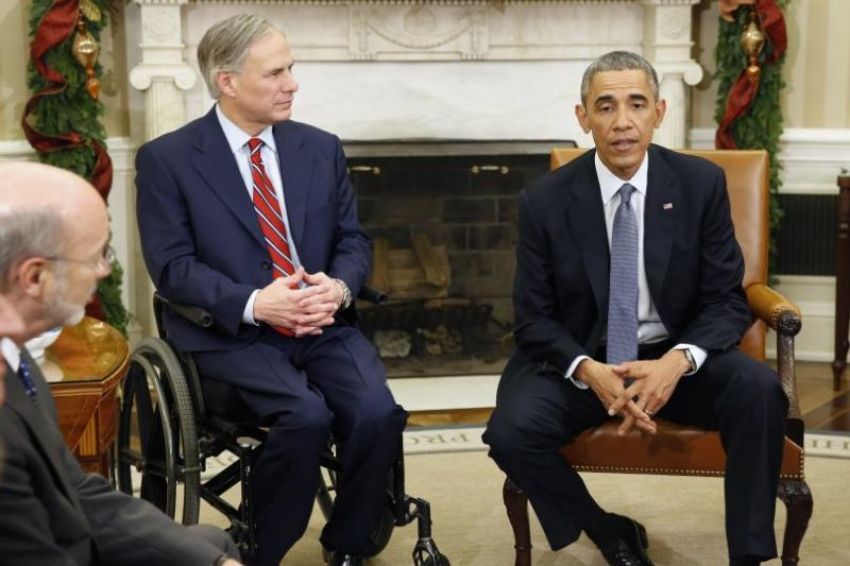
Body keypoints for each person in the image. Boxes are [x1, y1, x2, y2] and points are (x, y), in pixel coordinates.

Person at [483, 51, 788, 566]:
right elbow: (533, 318)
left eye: (637, 104)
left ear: (659, 112)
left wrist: (676, 362)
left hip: (674, 358)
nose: (622, 122)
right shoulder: (545, 200)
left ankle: (749, 556)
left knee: (758, 391)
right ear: (583, 117)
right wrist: (589, 370)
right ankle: (609, 530)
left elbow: (725, 301)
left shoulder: (699, 184)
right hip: (587, 360)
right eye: (605, 106)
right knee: (511, 432)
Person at [134, 14, 407, 566]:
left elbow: (352, 240)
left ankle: (349, 545)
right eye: (276, 73)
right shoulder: (168, 160)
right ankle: (260, 554)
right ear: (227, 81)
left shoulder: (320, 148)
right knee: (305, 417)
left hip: (321, 324)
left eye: (291, 69)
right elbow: (173, 268)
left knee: (377, 412)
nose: (292, 84)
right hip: (232, 335)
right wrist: (258, 303)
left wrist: (338, 287)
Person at [0, 161, 242, 565]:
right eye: (95, 256)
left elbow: (76, 491)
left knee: (212, 545)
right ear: (34, 277)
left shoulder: (15, 353)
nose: (104, 269)